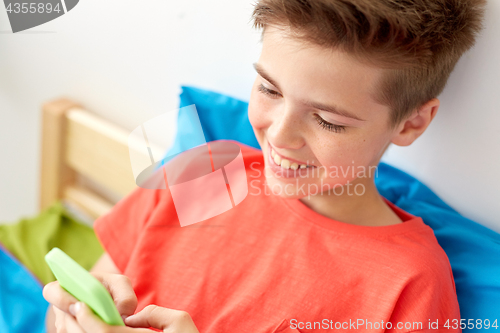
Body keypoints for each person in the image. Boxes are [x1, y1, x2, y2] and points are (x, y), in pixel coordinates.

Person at [43, 0, 487, 332]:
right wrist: (73, 318)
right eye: (270, 91)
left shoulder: (410, 284)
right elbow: (64, 311)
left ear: (411, 122)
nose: (278, 136)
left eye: (327, 120)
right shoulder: (205, 170)